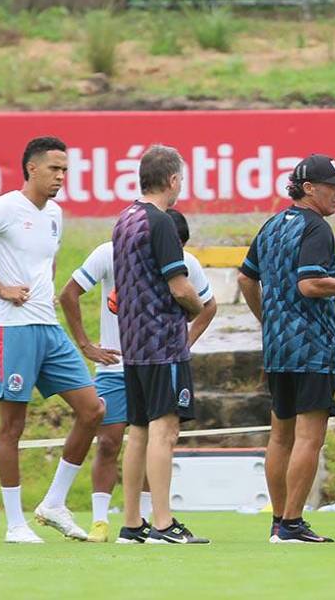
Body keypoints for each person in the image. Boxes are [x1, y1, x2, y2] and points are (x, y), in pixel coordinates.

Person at [239, 154, 335, 543]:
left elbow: (245, 277)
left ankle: (278, 521)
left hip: (277, 349)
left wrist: (268, 320)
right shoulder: (317, 229)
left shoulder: (272, 223)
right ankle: (291, 523)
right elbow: (310, 285)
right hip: (312, 347)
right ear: (309, 189)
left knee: (280, 437)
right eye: (333, 185)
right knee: (309, 438)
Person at [0, 136, 104, 543]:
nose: (61, 176)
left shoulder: (56, 213)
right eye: (54, 169)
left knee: (93, 410)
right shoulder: (5, 206)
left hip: (48, 327)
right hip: (13, 328)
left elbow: (49, 260)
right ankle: (14, 524)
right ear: (31, 169)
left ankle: (53, 503)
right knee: (13, 426)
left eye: (65, 170)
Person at [59, 209, 217, 542]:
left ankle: (135, 522)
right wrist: (87, 345)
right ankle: (156, 523)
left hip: (136, 356)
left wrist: (186, 340)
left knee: (143, 434)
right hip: (147, 357)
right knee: (142, 435)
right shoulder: (113, 254)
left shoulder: (180, 260)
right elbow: (186, 296)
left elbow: (207, 304)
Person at [112, 145, 207, 544]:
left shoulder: (124, 219)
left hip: (132, 342)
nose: (181, 185)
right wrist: (198, 306)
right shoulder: (161, 222)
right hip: (162, 342)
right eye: (180, 178)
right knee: (164, 431)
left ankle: (132, 523)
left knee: (137, 432)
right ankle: (164, 524)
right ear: (171, 179)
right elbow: (179, 284)